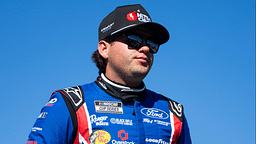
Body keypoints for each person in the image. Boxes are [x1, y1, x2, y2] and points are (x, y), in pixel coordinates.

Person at [27, 4, 191, 144]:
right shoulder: (69, 103)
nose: (146, 48)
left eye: (152, 44)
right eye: (133, 39)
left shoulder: (173, 114)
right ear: (104, 49)